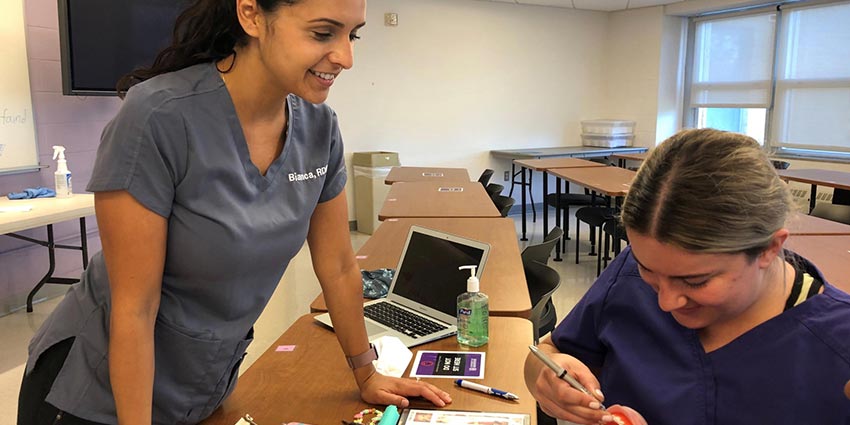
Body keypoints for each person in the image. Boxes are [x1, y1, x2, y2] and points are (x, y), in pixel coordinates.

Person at [17, 0, 452, 423]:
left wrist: (367, 374)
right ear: (251, 15)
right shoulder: (158, 116)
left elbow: (338, 266)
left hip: (201, 388)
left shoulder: (319, 128)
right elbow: (135, 307)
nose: (345, 57)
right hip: (96, 397)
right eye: (323, 33)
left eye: (352, 35)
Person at [524, 129, 850, 425]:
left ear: (768, 249)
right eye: (647, 271)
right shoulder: (627, 275)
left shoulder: (837, 344)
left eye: (695, 282)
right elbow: (550, 351)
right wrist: (546, 377)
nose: (665, 302)